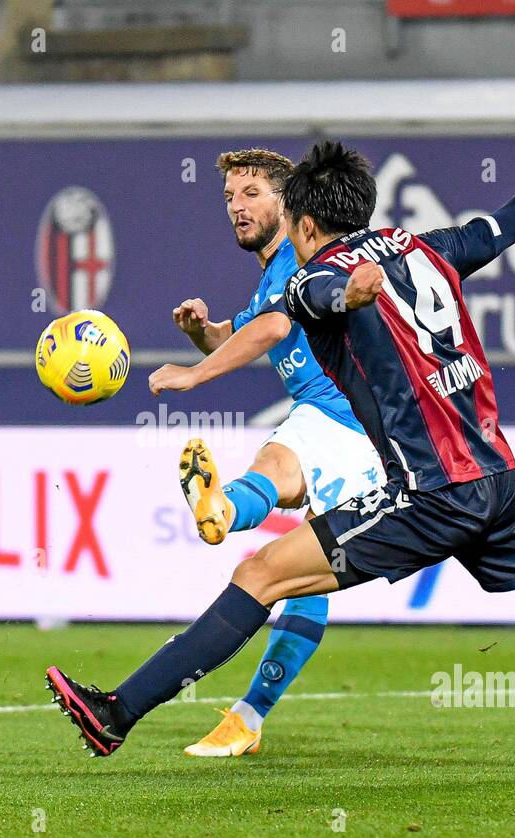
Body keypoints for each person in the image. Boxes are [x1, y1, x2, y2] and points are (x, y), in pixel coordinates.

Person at [46, 100, 515, 772]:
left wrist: (192, 375)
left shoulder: (314, 276)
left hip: (430, 493)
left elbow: (285, 317)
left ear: (305, 226)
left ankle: (116, 716)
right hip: (499, 485)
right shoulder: (430, 246)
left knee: (262, 575)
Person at [146, 149, 382, 757]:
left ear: (287, 202)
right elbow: (247, 329)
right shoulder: (273, 275)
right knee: (305, 579)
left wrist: (195, 373)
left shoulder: (300, 266)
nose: (237, 207)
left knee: (280, 467)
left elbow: (274, 329)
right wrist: (204, 332)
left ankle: (224, 510)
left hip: (350, 419)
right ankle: (248, 719)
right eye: (228, 197)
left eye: (251, 193)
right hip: (345, 422)